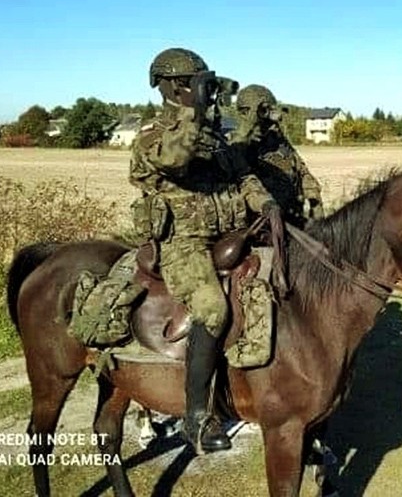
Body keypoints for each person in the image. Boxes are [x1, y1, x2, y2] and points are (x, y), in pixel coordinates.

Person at [129, 48, 284, 454]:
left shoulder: (215, 134)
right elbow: (176, 159)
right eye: (192, 83)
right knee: (213, 308)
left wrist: (266, 204)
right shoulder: (153, 135)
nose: (202, 91)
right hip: (184, 242)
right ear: (171, 86)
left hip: (231, 232)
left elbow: (243, 173)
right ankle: (196, 417)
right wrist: (193, 110)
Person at [232, 84, 324, 227]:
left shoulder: (277, 140)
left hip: (293, 218)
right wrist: (248, 131)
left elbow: (301, 169)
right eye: (262, 111)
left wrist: (313, 197)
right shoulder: (235, 144)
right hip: (262, 226)